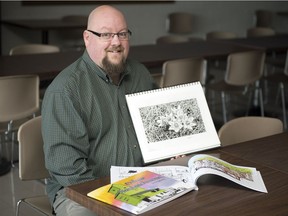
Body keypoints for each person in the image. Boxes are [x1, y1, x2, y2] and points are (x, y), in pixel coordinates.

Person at [42, 5, 157, 216]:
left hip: (141, 181)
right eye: (106, 34)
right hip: (81, 191)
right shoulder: (66, 90)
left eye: (122, 34)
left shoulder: (140, 74)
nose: (116, 42)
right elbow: (68, 168)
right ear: (87, 38)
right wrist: (116, 196)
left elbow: (157, 130)